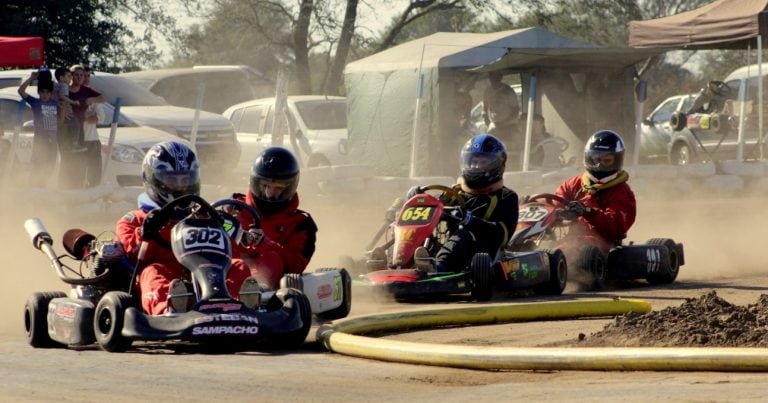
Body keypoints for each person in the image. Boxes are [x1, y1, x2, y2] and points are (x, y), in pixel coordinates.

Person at [116, 141, 254, 315]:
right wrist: (147, 232)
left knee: (238, 266)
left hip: (203, 274)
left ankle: (239, 307)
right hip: (163, 276)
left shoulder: (204, 214)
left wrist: (226, 226)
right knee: (152, 272)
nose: (181, 186)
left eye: (186, 179)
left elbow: (230, 252)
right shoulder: (134, 220)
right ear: (152, 179)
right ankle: (168, 310)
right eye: (172, 180)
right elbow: (133, 257)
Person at [406, 133, 519, 272]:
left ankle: (439, 268)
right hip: (451, 248)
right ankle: (397, 261)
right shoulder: (456, 192)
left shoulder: (506, 197)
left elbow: (502, 235)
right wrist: (418, 198)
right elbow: (434, 204)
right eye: (474, 162)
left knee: (464, 234)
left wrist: (469, 220)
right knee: (417, 228)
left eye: (483, 162)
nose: (476, 167)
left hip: (481, 254)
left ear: (497, 165)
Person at [230, 146, 318, 289]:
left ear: (290, 187)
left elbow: (296, 265)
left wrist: (265, 243)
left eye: (278, 188)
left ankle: (254, 292)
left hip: (270, 285)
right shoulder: (232, 209)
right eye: (265, 185)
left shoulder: (301, 223)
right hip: (224, 274)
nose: (270, 194)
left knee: (271, 259)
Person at [555, 130, 636, 252]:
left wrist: (587, 211)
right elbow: (555, 203)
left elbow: (615, 227)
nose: (599, 166)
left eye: (606, 161)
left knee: (576, 247)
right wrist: (535, 205)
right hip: (571, 240)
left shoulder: (621, 192)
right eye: (595, 160)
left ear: (617, 160)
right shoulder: (574, 184)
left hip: (604, 246)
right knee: (542, 241)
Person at [58, 64, 106, 189]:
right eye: (78, 75)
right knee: (75, 176)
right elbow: (63, 115)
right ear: (71, 76)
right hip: (73, 141)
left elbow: (100, 117)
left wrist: (86, 115)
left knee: (94, 177)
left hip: (92, 140)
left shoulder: (90, 94)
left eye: (85, 75)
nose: (83, 77)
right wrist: (83, 115)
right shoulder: (64, 90)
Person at [18, 71, 61, 187]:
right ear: (39, 92)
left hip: (53, 142)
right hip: (41, 142)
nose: (45, 94)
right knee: (38, 167)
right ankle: (33, 190)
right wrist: (30, 79)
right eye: (42, 92)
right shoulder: (35, 102)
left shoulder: (56, 104)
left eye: (47, 92)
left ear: (51, 93)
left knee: (50, 167)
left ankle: (43, 190)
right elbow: (21, 91)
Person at [483, 71, 520, 146]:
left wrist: (505, 122)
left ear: (500, 77)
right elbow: (485, 106)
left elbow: (516, 109)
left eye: (496, 77)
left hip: (508, 124)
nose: (494, 79)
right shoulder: (487, 91)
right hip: (494, 124)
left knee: (509, 145)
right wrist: (485, 117)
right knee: (489, 144)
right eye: (492, 77)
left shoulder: (508, 90)